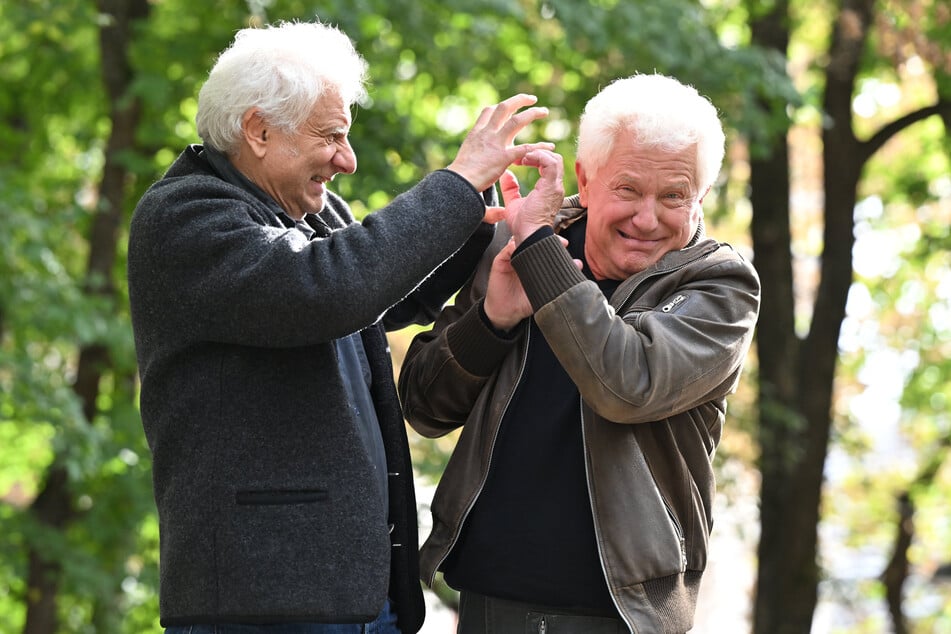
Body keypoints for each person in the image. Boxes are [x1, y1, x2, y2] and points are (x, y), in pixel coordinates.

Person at [127, 18, 555, 634]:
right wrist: (458, 183)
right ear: (258, 129)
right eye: (331, 136)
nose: (347, 161)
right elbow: (331, 287)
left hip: (354, 595)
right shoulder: (183, 218)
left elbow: (380, 296)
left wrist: (490, 221)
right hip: (262, 603)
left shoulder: (311, 214)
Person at [397, 73, 761, 633]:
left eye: (673, 197)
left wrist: (539, 252)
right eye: (628, 190)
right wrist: (492, 320)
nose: (647, 218)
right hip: (489, 602)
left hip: (621, 615)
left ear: (701, 199)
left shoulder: (722, 286)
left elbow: (626, 383)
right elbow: (424, 407)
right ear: (586, 181)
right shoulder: (517, 242)